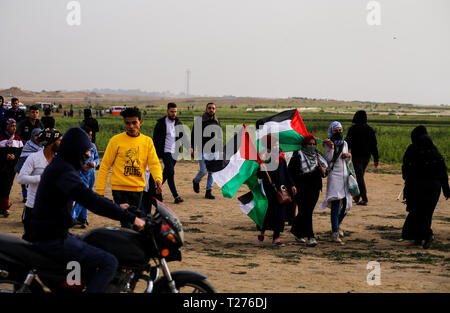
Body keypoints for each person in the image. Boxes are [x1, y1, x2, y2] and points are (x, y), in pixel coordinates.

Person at [28, 127, 145, 293]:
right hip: (52, 240)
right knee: (109, 262)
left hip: (54, 234)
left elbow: (88, 196)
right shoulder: (63, 171)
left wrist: (116, 206)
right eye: (86, 151)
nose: (89, 155)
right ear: (75, 151)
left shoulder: (61, 165)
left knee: (94, 243)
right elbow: (90, 200)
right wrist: (130, 218)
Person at [96, 107, 163, 228]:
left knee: (135, 222)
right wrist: (100, 191)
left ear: (140, 122)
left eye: (134, 123)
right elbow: (105, 166)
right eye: (128, 123)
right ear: (124, 123)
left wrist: (158, 179)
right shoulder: (115, 141)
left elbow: (154, 163)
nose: (131, 126)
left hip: (137, 189)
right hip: (119, 190)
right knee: (126, 222)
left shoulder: (147, 141)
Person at [401, 126, 449, 249]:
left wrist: (406, 179)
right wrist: (446, 190)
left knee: (417, 211)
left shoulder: (412, 149)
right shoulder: (434, 151)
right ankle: (420, 237)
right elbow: (443, 171)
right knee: (427, 212)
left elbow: (406, 168)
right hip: (434, 187)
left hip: (417, 186)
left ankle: (427, 235)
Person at [18, 128, 62, 240]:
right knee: (29, 242)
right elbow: (21, 178)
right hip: (33, 208)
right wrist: (41, 178)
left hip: (53, 209)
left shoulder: (60, 160)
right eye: (59, 140)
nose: (62, 143)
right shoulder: (34, 158)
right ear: (51, 143)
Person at [257, 135, 296, 247]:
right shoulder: (263, 156)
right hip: (268, 188)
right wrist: (261, 165)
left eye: (277, 143)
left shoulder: (280, 155)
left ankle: (276, 238)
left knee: (281, 212)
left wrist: (292, 184)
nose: (276, 145)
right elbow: (259, 174)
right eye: (274, 143)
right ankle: (261, 229)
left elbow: (286, 171)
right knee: (267, 211)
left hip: (281, 187)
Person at [288, 135, 327, 247]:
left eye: (314, 144)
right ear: (304, 145)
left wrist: (323, 171)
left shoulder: (318, 155)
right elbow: (291, 172)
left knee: (305, 211)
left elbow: (325, 173)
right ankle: (311, 236)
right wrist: (293, 185)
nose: (312, 146)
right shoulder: (297, 155)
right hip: (301, 188)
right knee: (307, 211)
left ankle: (297, 231)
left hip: (315, 187)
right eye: (309, 144)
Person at [319, 121, 353, 245]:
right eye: (335, 130)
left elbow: (348, 162)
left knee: (347, 204)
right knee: (336, 204)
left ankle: (337, 226)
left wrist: (348, 156)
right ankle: (334, 232)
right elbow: (328, 160)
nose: (338, 132)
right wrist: (332, 148)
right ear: (331, 131)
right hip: (334, 177)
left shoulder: (345, 143)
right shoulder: (327, 143)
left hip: (344, 176)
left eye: (340, 130)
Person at [153, 102, 185, 204]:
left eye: (175, 111)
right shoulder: (161, 124)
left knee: (166, 173)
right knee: (171, 172)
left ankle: (154, 190)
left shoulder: (179, 123)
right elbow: (155, 139)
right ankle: (176, 196)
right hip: (165, 152)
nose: (174, 113)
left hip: (175, 153)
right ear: (167, 111)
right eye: (172, 111)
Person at [345, 110, 379, 205]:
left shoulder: (353, 129)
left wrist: (343, 152)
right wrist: (376, 159)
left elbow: (348, 143)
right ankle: (357, 196)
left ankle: (364, 198)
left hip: (356, 157)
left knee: (359, 177)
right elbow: (374, 145)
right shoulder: (370, 129)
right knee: (360, 176)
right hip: (366, 157)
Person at [191, 102, 222, 199]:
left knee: (212, 172)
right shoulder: (199, 121)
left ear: (215, 110)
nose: (211, 110)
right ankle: (196, 181)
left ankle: (208, 191)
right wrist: (192, 147)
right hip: (202, 150)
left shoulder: (217, 121)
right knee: (203, 170)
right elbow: (193, 135)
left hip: (214, 150)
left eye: (213, 108)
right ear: (206, 109)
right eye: (209, 108)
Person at [71, 126, 99, 228]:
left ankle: (83, 218)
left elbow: (97, 159)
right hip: (80, 173)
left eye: (91, 135)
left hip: (91, 174)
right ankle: (73, 217)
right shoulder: (75, 147)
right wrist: (81, 165)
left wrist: (94, 163)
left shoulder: (93, 146)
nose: (90, 137)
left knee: (87, 195)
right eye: (88, 135)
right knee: (83, 195)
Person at [0, 119, 24, 217]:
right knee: (2, 186)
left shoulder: (18, 139)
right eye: (11, 126)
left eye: (15, 125)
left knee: (8, 186)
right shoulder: (1, 138)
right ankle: (5, 207)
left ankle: (4, 207)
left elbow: (20, 153)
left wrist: (14, 157)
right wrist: (5, 156)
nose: (14, 128)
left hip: (11, 168)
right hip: (1, 166)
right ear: (6, 127)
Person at [14, 128, 42, 203]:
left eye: (40, 135)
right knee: (25, 183)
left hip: (36, 168)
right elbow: (23, 158)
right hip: (25, 166)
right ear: (32, 136)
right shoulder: (28, 145)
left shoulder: (43, 146)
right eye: (36, 135)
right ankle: (25, 196)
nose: (38, 137)